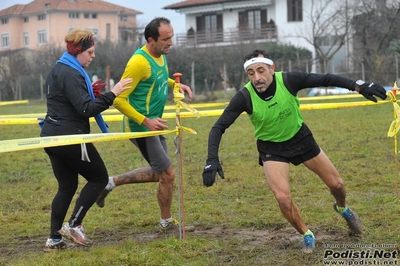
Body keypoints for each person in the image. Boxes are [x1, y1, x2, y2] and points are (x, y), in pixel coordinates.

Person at [202, 49, 387, 253]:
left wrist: (359, 86)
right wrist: (212, 158)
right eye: (251, 73)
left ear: (272, 68)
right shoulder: (244, 97)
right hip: (271, 148)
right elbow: (218, 127)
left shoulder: (289, 80)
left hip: (300, 138)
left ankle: (342, 208)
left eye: (261, 71)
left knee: (337, 185)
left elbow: (325, 79)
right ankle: (306, 234)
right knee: (282, 198)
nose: (257, 78)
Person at [95, 17, 193, 233]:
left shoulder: (160, 55)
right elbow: (118, 99)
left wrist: (176, 84)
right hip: (140, 126)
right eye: (166, 39)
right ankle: (166, 224)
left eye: (171, 37)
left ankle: (109, 183)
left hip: (155, 123)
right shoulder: (138, 62)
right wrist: (145, 120)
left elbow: (157, 79)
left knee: (161, 173)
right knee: (167, 174)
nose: (171, 43)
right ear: (151, 40)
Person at [40, 28, 132, 252]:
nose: (93, 56)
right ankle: (74, 225)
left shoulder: (60, 68)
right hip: (69, 137)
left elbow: (69, 100)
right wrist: (113, 93)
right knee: (99, 178)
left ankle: (54, 239)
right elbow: (85, 109)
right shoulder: (72, 73)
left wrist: (90, 92)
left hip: (52, 136)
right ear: (78, 51)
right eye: (90, 52)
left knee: (67, 186)